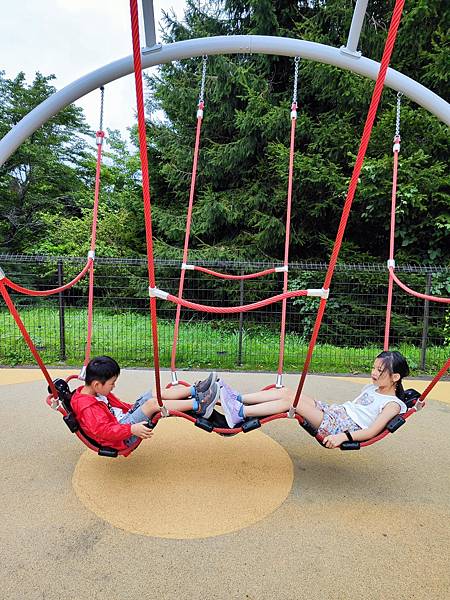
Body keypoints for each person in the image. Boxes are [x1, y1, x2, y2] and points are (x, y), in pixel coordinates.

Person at [218, 350, 410, 449]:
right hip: (335, 412)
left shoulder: (392, 405)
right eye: (374, 367)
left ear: (395, 377)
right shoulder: (373, 388)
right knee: (288, 392)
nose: (373, 373)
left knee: (290, 404)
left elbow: (372, 431)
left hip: (341, 427)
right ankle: (238, 398)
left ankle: (240, 412)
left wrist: (342, 437)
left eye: (380, 370)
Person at [71, 356, 220, 452]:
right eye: (112, 383)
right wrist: (132, 429)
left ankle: (195, 390)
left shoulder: (93, 391)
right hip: (122, 435)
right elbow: (104, 431)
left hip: (124, 420)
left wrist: (134, 408)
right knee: (152, 405)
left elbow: (117, 406)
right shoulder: (88, 408)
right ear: (97, 384)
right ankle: (199, 405)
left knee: (155, 393)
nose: (114, 386)